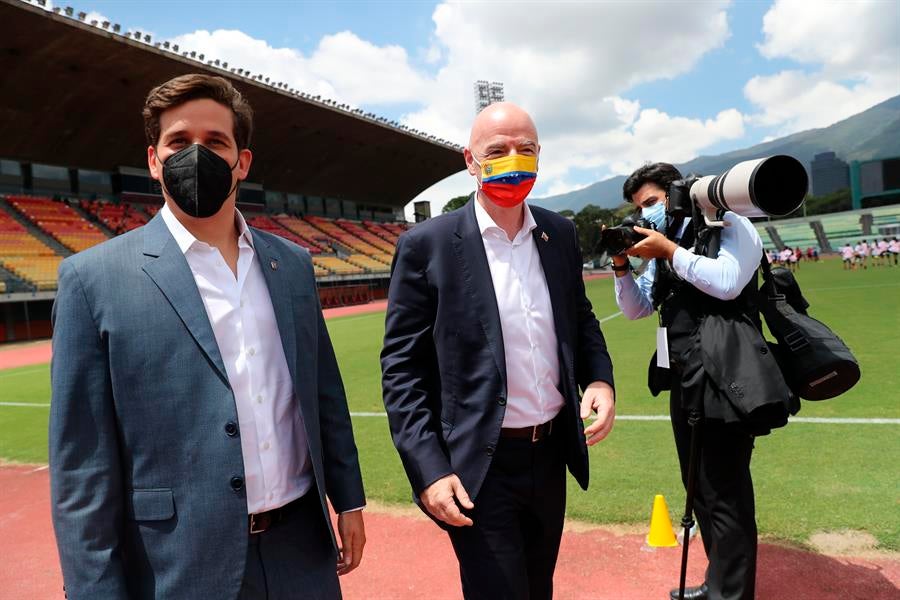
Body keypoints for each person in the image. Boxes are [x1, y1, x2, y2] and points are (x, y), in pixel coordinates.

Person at [50, 74, 366, 600]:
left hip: (302, 553)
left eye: (215, 142)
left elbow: (323, 392)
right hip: (178, 563)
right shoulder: (92, 279)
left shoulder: (290, 264)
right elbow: (82, 465)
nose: (195, 155)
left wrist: (349, 499)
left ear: (243, 161)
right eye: (178, 142)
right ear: (154, 160)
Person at [381, 102, 615, 600]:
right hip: (479, 465)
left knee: (538, 588)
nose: (514, 159)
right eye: (498, 150)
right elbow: (402, 369)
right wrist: (428, 468)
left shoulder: (560, 233)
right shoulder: (428, 244)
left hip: (550, 454)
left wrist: (598, 379)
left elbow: (580, 318)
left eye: (525, 149)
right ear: (471, 161)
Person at [610, 162, 791, 600]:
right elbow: (636, 309)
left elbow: (728, 283)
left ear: (677, 192)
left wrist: (670, 251)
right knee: (700, 489)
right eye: (640, 207)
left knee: (724, 489)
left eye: (652, 202)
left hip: (727, 375)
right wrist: (620, 264)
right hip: (685, 375)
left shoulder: (732, 223)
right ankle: (718, 583)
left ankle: (731, 594)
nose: (648, 213)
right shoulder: (672, 240)